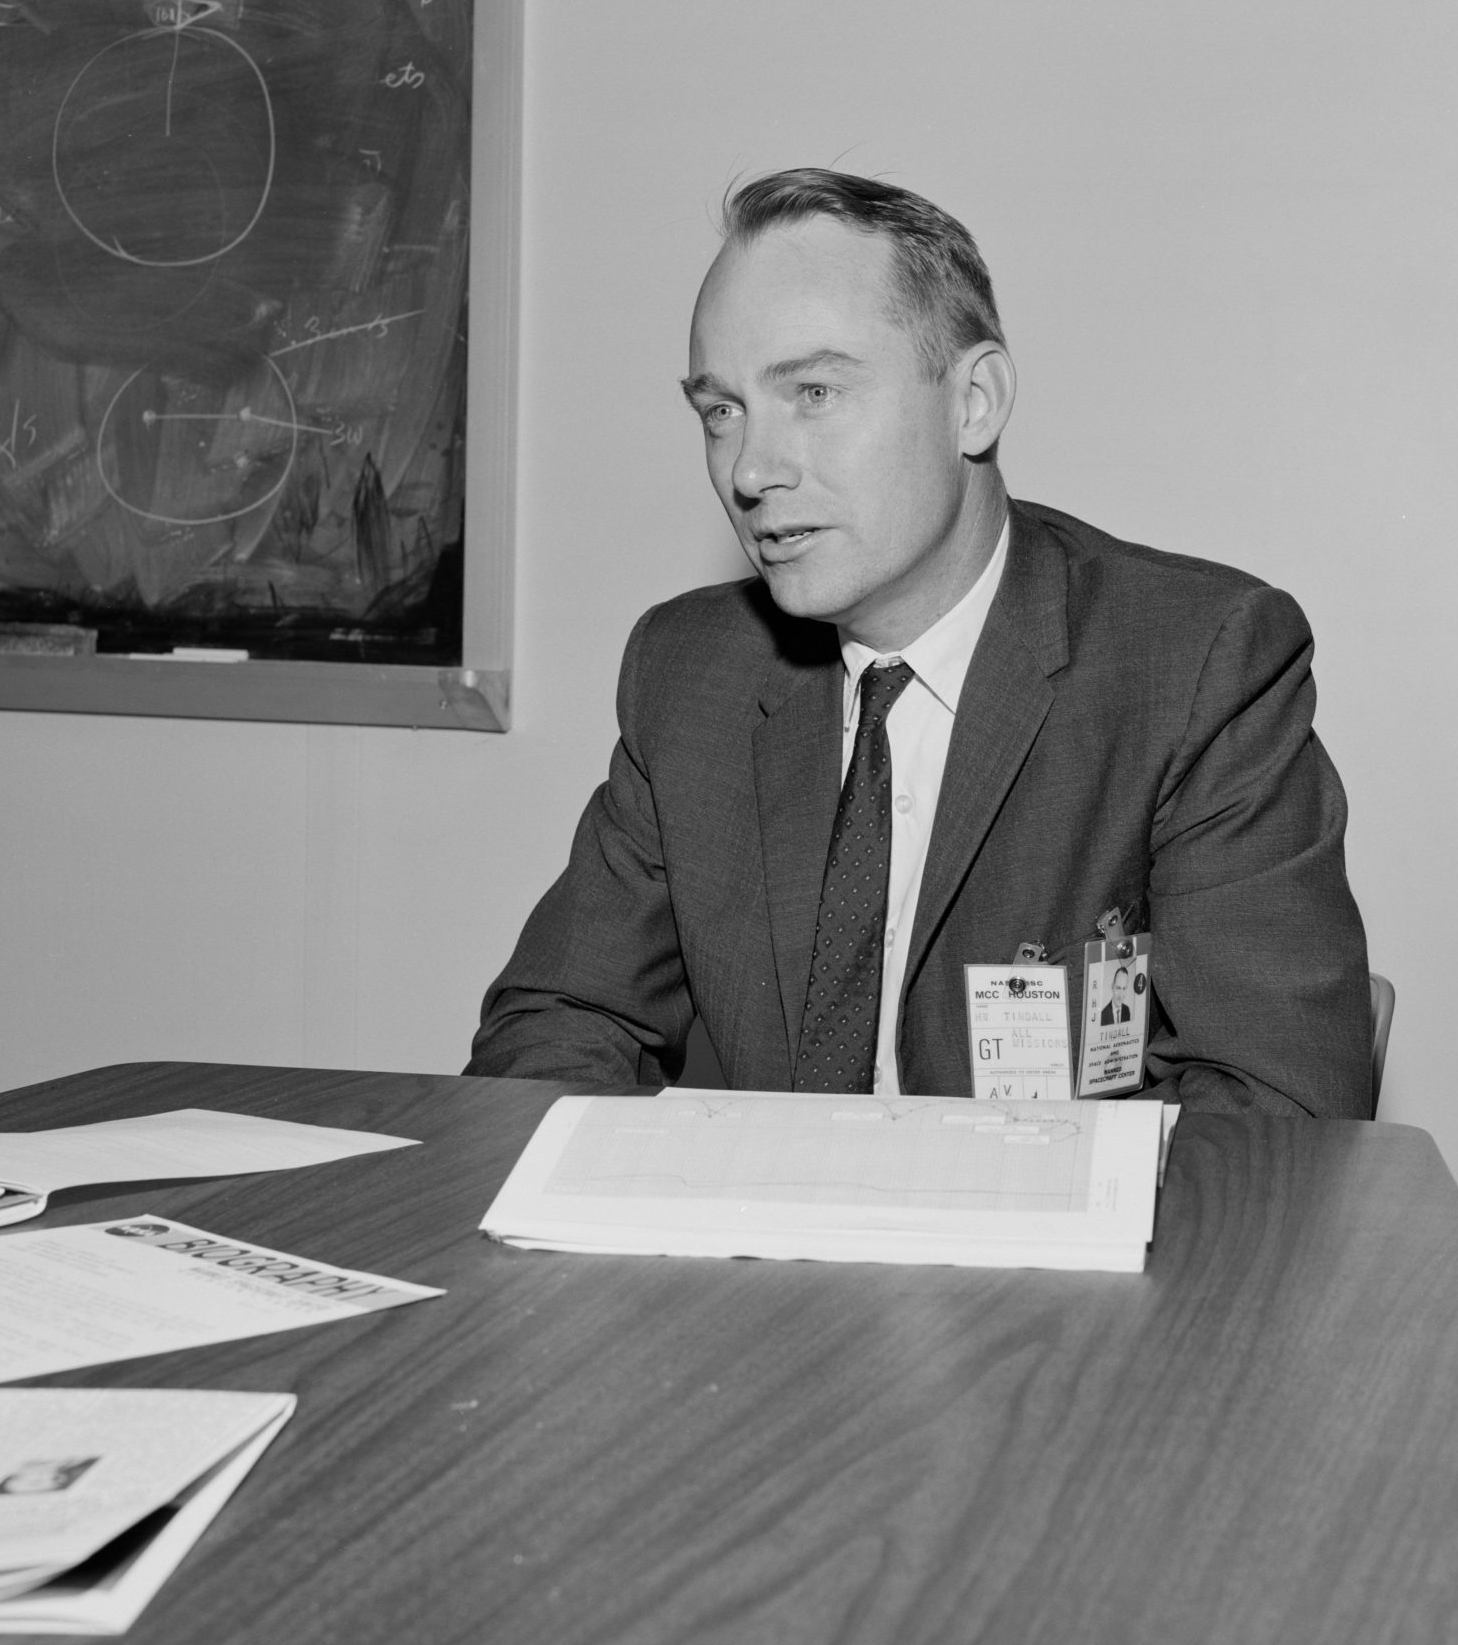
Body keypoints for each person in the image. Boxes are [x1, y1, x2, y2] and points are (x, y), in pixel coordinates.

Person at [467, 168, 1371, 1116]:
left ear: (973, 401)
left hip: (1044, 1217)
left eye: (814, 391)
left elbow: (1275, 1113)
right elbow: (560, 1020)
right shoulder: (690, 671)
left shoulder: (1196, 666)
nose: (751, 470)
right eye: (721, 411)